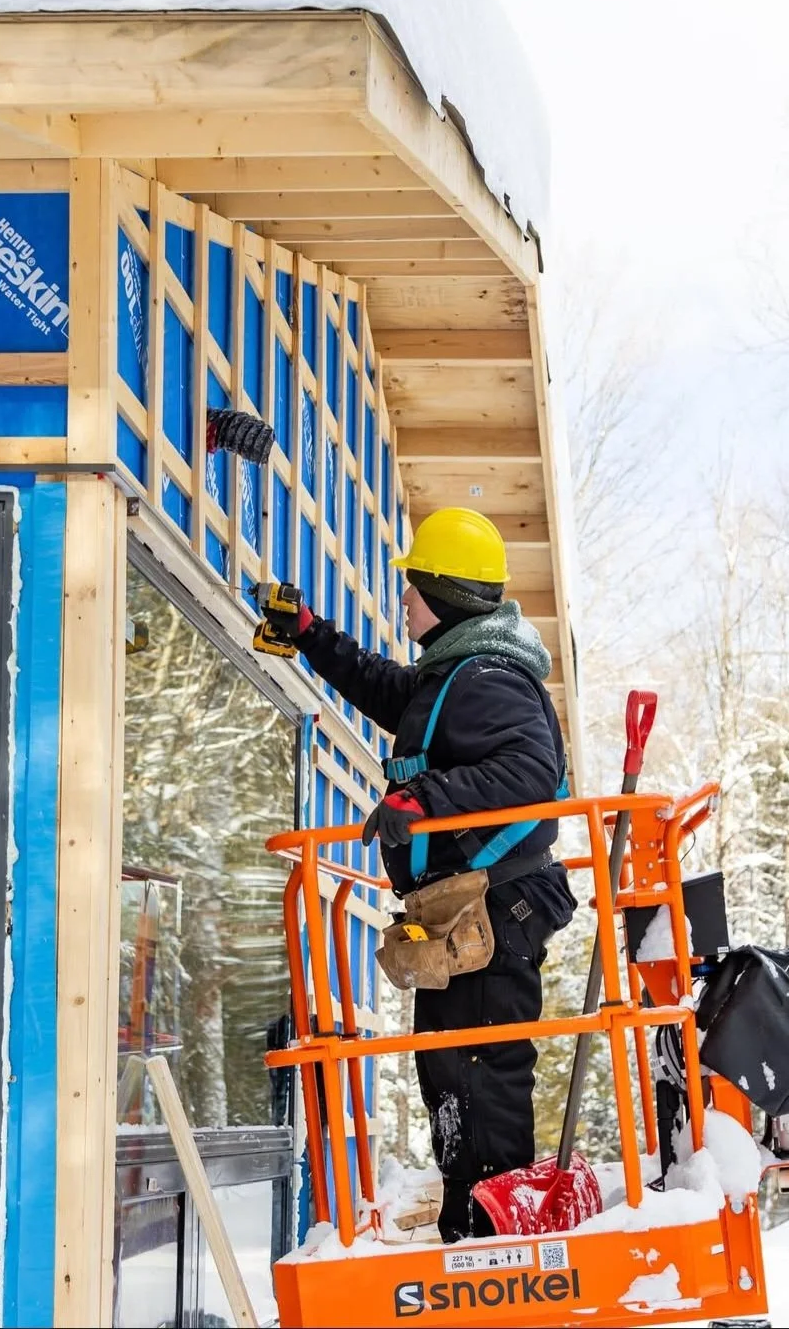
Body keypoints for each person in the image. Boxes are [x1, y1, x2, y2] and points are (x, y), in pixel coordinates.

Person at [259, 506, 577, 1242]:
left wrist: (423, 796)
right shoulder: (452, 677)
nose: (401, 595)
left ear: (446, 592)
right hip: (462, 914)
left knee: (484, 1071)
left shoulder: (487, 678)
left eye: (412, 584)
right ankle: (469, 1230)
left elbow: (532, 771)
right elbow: (379, 686)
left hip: (497, 909)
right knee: (450, 1075)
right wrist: (309, 632)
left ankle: (501, 1245)